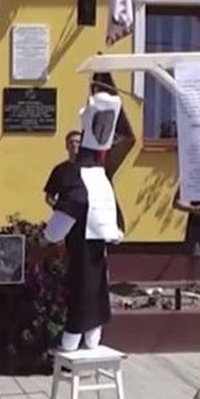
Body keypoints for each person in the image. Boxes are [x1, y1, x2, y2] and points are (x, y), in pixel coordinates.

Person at [42, 91, 124, 352]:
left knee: (83, 288)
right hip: (96, 248)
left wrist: (49, 235)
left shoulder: (78, 175)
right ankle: (91, 335)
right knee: (95, 286)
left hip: (81, 248)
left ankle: (74, 336)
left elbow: (68, 213)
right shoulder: (101, 174)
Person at [172, 189, 200, 281]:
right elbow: (177, 202)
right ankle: (193, 283)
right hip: (197, 225)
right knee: (196, 256)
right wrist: (193, 209)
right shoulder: (191, 181)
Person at [44, 130, 82, 208]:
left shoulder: (91, 169)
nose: (74, 144)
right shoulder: (59, 170)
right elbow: (49, 197)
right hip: (65, 213)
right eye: (71, 142)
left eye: (78, 142)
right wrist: (59, 209)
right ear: (66, 146)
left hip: (87, 213)